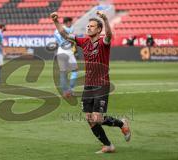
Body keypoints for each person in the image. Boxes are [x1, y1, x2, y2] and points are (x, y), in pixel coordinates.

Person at [51, 11, 131, 153]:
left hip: (101, 84)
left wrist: (105, 19)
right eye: (88, 26)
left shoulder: (103, 42)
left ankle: (121, 123)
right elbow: (65, 35)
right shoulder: (84, 41)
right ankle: (108, 145)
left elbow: (109, 36)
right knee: (89, 118)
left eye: (92, 26)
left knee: (97, 118)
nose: (88, 28)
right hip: (88, 84)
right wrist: (56, 21)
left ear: (99, 29)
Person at [54, 17, 78, 97]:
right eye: (71, 22)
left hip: (60, 52)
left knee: (63, 73)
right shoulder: (70, 29)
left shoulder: (56, 31)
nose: (71, 23)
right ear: (67, 22)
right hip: (68, 52)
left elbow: (56, 42)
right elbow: (73, 41)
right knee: (75, 70)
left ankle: (65, 92)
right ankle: (70, 90)